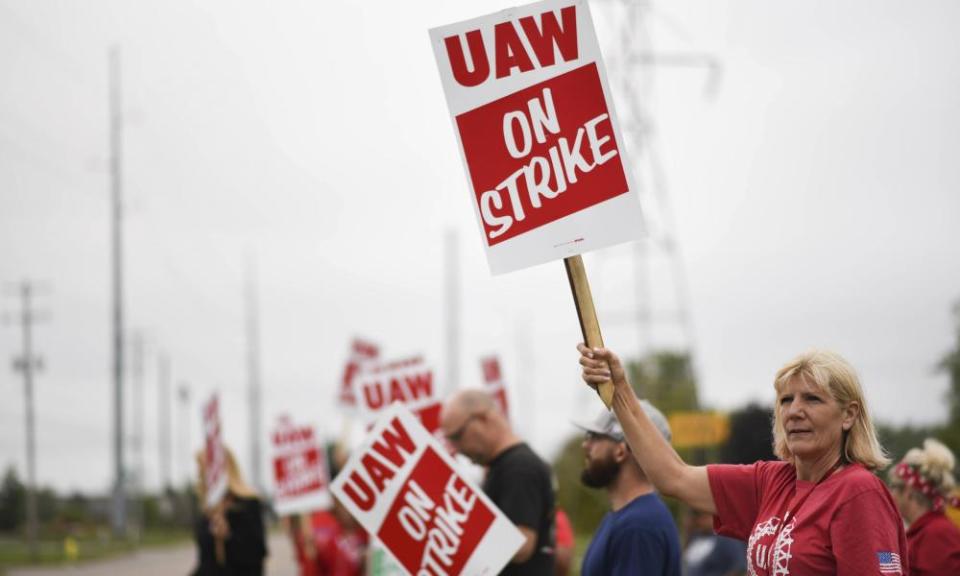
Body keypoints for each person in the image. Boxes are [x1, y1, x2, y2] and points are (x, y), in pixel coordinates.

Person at [577, 344, 908, 575]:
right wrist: (619, 389)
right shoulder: (771, 481)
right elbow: (673, 477)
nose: (794, 411)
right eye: (786, 399)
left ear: (848, 415)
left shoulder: (857, 493)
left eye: (812, 399)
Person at [440, 389, 555, 575]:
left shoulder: (518, 467)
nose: (456, 449)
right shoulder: (505, 466)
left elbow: (522, 545)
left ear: (483, 418)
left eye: (457, 436)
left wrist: (458, 536)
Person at [575, 405, 681, 576]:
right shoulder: (628, 517)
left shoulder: (638, 526)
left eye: (594, 437)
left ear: (620, 451)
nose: (585, 445)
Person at [888, 437, 960, 575]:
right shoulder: (923, 532)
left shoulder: (938, 534)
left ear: (908, 491)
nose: (890, 494)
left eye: (894, 486)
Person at [192, 447, 268, 576]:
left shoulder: (248, 504)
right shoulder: (208, 512)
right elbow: (205, 563)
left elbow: (257, 553)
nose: (201, 475)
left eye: (205, 469)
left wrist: (227, 537)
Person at [683, 508, 746, 576]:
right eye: (698, 517)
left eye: (704, 517)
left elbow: (739, 567)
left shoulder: (726, 538)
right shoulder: (695, 537)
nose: (701, 520)